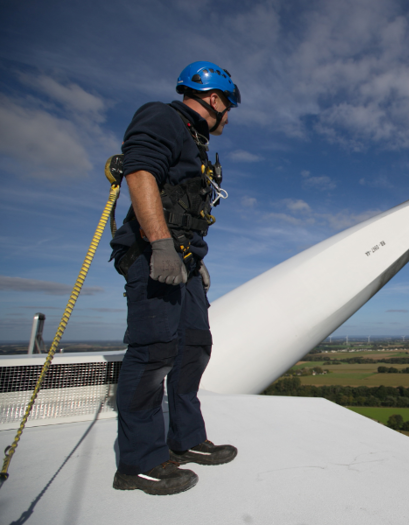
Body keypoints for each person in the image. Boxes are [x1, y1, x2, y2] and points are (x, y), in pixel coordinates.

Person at [110, 61, 241, 496]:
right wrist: (162, 244)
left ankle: (185, 439)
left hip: (183, 264)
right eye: (229, 107)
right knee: (154, 354)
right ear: (215, 100)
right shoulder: (162, 116)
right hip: (154, 257)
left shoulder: (196, 143)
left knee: (193, 348)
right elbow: (140, 171)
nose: (229, 117)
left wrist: (191, 258)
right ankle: (138, 462)